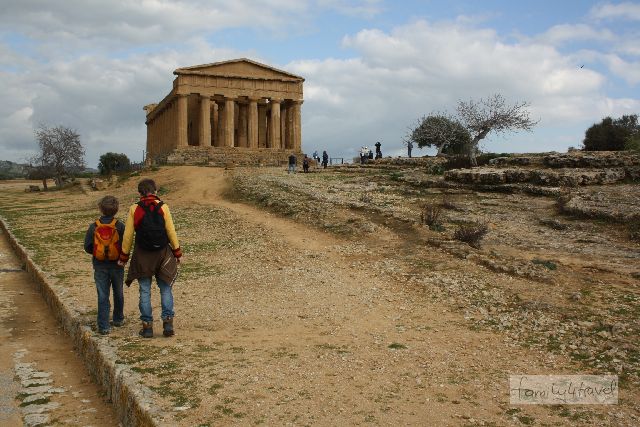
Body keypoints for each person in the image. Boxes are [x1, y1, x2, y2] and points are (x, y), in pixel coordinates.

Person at [118, 179, 182, 338]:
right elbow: (171, 231)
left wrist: (124, 256)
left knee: (145, 290)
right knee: (166, 288)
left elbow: (128, 236)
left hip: (142, 254)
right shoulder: (163, 207)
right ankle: (167, 324)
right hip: (162, 253)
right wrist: (177, 252)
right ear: (155, 191)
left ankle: (147, 327)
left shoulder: (135, 209)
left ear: (139, 193)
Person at [84, 195, 125, 335]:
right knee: (118, 292)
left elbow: (87, 246)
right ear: (116, 209)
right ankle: (118, 319)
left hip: (99, 265)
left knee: (102, 294)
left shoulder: (94, 226)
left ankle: (104, 325)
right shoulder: (120, 226)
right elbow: (125, 245)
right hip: (117, 265)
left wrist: (99, 253)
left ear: (100, 208)